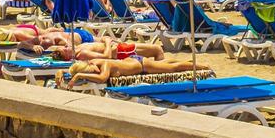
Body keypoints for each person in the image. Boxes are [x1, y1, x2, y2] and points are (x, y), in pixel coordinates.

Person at [62, 55, 201, 87]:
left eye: (91, 71)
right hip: (134, 61)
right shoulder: (93, 63)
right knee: (164, 64)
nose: (94, 72)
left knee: (173, 69)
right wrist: (61, 73)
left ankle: (202, 66)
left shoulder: (104, 64)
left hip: (141, 64)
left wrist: (79, 74)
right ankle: (189, 62)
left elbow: (103, 78)